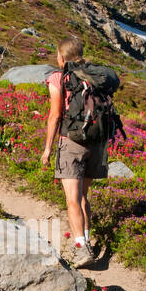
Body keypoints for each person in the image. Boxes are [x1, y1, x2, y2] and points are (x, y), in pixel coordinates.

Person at [40, 34, 114, 267]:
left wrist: (47, 148)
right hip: (97, 142)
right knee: (83, 195)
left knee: (72, 198)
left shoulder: (58, 78)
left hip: (71, 141)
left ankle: (81, 248)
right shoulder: (95, 77)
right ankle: (87, 241)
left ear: (62, 57)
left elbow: (54, 115)